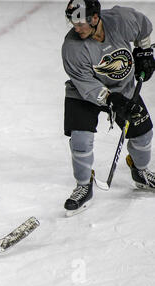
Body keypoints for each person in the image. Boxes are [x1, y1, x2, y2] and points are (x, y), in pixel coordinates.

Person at [62, 0, 155, 214]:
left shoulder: (121, 20)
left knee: (143, 135)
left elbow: (143, 27)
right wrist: (110, 99)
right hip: (83, 93)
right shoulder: (72, 47)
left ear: (95, 18)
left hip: (123, 88)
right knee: (80, 139)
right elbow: (85, 83)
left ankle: (140, 172)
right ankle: (84, 186)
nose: (76, 28)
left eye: (81, 23)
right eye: (73, 23)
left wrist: (144, 52)